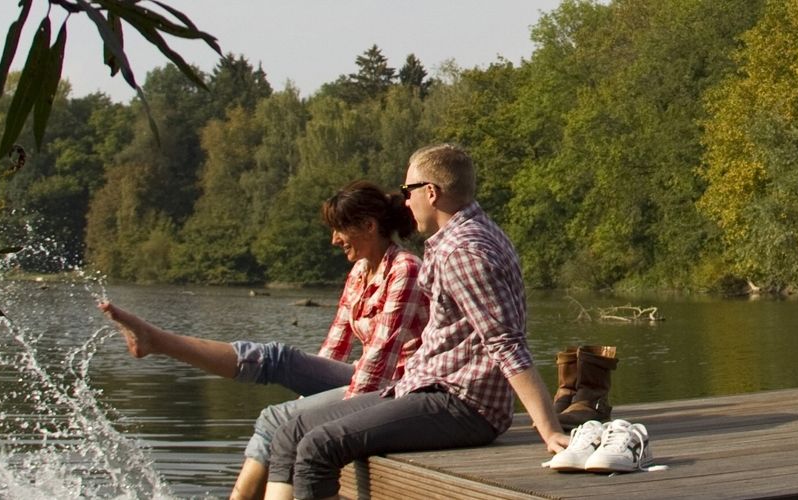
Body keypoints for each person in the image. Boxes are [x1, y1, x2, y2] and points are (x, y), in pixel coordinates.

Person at [255, 144, 571, 500]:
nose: (405, 202)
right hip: (426, 388)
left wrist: (548, 428)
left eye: (409, 192)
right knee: (289, 431)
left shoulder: (463, 251)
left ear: (431, 193)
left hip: (463, 405)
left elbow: (506, 342)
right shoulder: (461, 238)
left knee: (319, 448)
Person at [98, 180, 425, 500]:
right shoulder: (360, 272)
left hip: (398, 388)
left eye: (340, 229)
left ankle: (158, 341)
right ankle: (158, 341)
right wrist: (306, 399)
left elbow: (381, 361)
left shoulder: (405, 269)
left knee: (276, 418)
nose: (334, 240)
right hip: (366, 376)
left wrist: (316, 415)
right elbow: (334, 348)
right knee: (277, 361)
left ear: (368, 226)